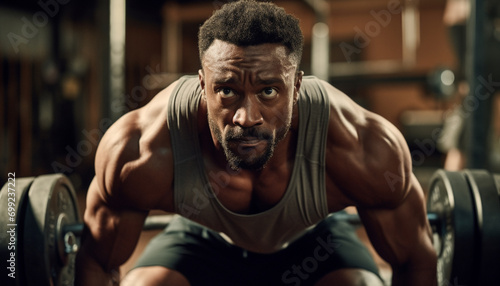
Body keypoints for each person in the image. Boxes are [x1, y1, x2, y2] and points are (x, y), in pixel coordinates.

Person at [75, 1, 437, 285]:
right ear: (203, 85)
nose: (246, 118)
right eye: (227, 91)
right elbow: (96, 262)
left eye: (268, 91)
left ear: (296, 87)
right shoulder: (139, 151)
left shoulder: (365, 149)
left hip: (313, 242)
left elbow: (413, 261)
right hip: (203, 241)